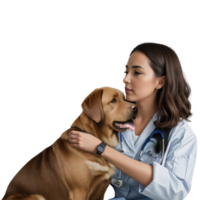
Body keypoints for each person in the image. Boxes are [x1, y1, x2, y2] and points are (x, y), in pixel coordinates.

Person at [68, 40, 199, 200]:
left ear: (160, 82)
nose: (125, 79)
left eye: (137, 72)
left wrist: (102, 149)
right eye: (125, 72)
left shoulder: (181, 133)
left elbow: (177, 192)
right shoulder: (110, 119)